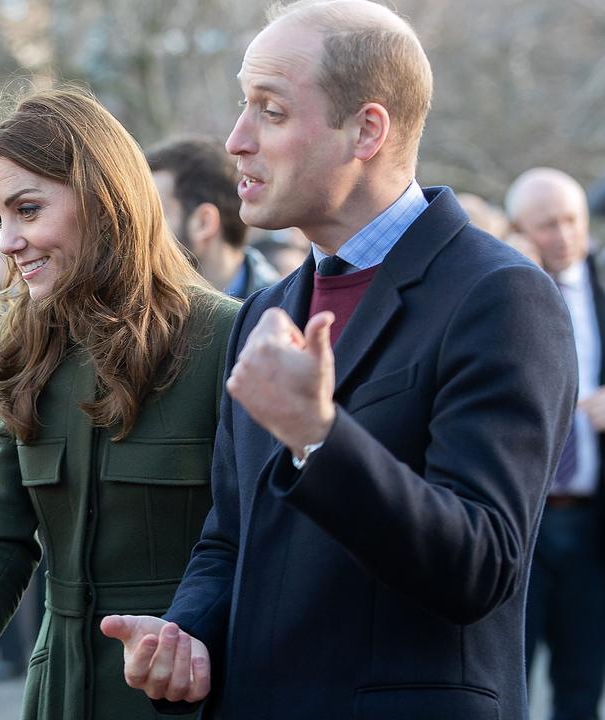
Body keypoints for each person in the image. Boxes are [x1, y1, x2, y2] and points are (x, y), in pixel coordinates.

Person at [102, 3, 577, 718]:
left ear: (366, 129)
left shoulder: (500, 295)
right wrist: (185, 633)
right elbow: (229, 536)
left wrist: (319, 437)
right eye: (243, 107)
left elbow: (481, 565)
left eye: (269, 110)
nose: (235, 140)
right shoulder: (266, 310)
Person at [0, 87, 240, 720]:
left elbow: (257, 547)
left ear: (103, 201)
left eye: (28, 209)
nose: (7, 241)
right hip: (58, 698)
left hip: (187, 702)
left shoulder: (225, 338)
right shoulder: (24, 346)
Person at [507, 167, 605, 720]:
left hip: (591, 525)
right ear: (521, 229)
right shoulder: (501, 292)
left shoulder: (602, 285)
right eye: (547, 226)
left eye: (572, 221)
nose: (564, 236)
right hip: (524, 521)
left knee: (581, 684)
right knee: (510, 682)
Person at [148, 137, 279, 298]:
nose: (140, 229)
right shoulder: (140, 307)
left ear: (203, 223)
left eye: (154, 214)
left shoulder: (289, 314)